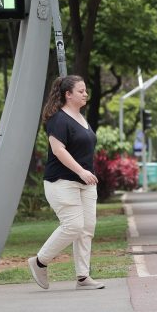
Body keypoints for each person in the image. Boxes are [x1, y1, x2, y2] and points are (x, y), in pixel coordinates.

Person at [27, 75, 105, 290]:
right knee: (73, 226)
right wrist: (81, 171)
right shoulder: (58, 119)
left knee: (87, 229)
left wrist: (86, 174)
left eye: (85, 90)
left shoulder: (81, 117)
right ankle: (40, 261)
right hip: (62, 182)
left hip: (86, 183)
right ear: (68, 94)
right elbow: (58, 150)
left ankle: (83, 277)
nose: (85, 94)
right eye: (81, 91)